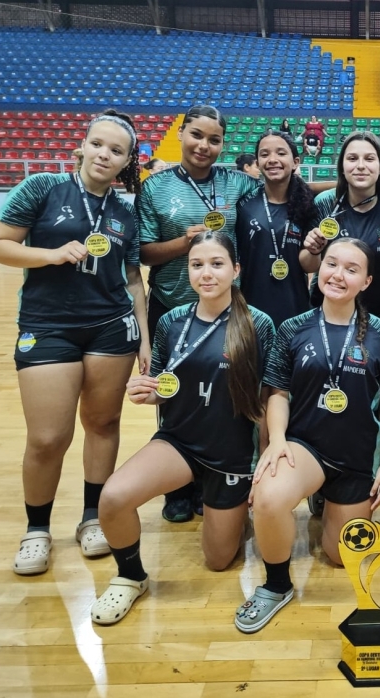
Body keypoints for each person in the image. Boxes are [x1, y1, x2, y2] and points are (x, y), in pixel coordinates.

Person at [0, 111, 146, 576]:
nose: (105, 155)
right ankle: (37, 529)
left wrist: (143, 338)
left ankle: (92, 517)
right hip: (48, 324)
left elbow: (133, 279)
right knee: (47, 437)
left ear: (126, 161)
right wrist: (51, 255)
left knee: (102, 422)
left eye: (116, 150)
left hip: (111, 327)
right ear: (82, 145)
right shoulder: (42, 187)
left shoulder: (124, 211)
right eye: (98, 144)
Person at [89, 231, 274, 624]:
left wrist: (266, 461)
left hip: (233, 454)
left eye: (217, 264)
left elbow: (270, 397)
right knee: (114, 497)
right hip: (180, 443)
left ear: (236, 270)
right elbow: (164, 386)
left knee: (218, 561)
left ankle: (235, 513)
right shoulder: (172, 320)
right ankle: (130, 576)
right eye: (197, 265)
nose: (206, 273)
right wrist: (146, 393)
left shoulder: (259, 324)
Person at [234, 238, 380, 633]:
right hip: (306, 447)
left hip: (356, 455)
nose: (338, 274)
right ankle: (276, 585)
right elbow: (277, 392)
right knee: (270, 500)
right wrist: (276, 441)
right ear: (318, 269)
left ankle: (326, 499)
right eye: (331, 264)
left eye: (351, 269)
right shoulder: (293, 327)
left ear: (367, 281)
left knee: (340, 556)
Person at [137, 104, 260, 523]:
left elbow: (287, 183)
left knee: (225, 393)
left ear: (223, 143)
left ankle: (220, 475)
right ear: (182, 135)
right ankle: (178, 487)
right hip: (173, 306)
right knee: (173, 394)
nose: (204, 145)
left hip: (226, 309)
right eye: (196, 135)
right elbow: (142, 252)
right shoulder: (155, 187)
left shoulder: (237, 183)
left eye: (214, 139)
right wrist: (184, 244)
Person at [307, 131, 380, 327]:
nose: (360, 165)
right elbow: (309, 265)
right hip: (326, 311)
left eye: (369, 158)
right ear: (342, 165)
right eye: (352, 158)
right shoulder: (324, 203)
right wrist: (313, 249)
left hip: (379, 312)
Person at [235, 130, 321, 328]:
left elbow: (310, 266)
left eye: (281, 153)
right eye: (265, 154)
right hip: (249, 312)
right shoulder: (244, 205)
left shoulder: (307, 205)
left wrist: (315, 250)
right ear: (257, 163)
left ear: (296, 162)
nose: (272, 159)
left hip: (295, 311)